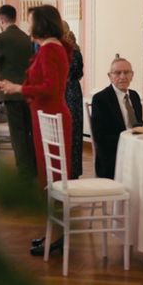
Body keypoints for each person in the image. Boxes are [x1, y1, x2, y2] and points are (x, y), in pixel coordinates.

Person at [0, 5, 72, 256]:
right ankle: (54, 233)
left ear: (41, 23)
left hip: (52, 117)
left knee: (54, 180)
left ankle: (58, 235)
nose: (27, 25)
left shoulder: (50, 49)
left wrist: (17, 89)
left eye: (30, 21)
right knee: (48, 179)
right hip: (46, 117)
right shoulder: (49, 47)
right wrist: (13, 85)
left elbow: (49, 87)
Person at [0, 4, 37, 178]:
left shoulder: (1, 38)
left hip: (11, 94)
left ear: (1, 19)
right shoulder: (27, 38)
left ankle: (23, 177)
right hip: (29, 93)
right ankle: (33, 172)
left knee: (18, 136)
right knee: (30, 135)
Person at [90, 57, 143, 180]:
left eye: (126, 72)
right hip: (113, 156)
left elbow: (138, 125)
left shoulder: (134, 96)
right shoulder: (100, 99)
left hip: (136, 150)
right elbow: (100, 136)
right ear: (110, 76)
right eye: (117, 73)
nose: (123, 76)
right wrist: (128, 142)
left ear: (132, 75)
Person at [62, 20, 83, 179]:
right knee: (75, 133)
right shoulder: (76, 49)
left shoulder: (64, 50)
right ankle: (73, 172)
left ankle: (66, 172)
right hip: (75, 91)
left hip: (66, 91)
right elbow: (79, 73)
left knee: (67, 131)